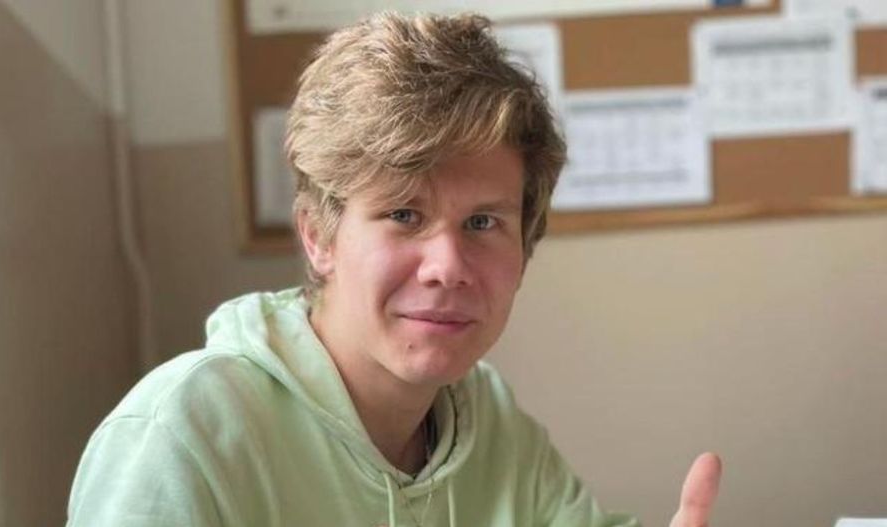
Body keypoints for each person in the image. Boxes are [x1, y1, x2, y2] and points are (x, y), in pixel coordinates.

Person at [66, 11, 720, 527]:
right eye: (404, 215)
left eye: (483, 223)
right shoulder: (181, 434)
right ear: (318, 236)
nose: (448, 267)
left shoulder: (484, 418)